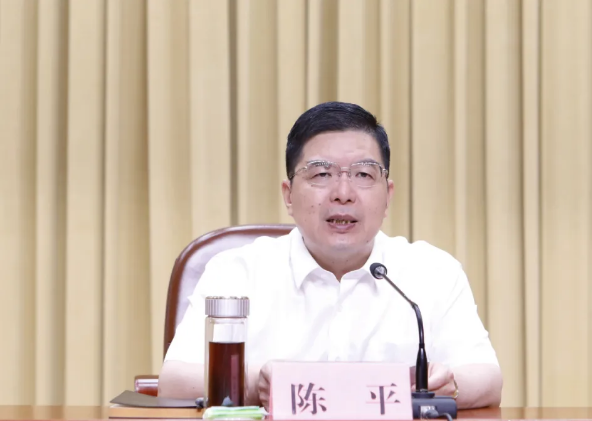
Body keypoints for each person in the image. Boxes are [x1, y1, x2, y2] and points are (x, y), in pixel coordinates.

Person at [157, 101, 503, 409]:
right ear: (288, 195)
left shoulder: (432, 271)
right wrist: (255, 382)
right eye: (322, 174)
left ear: (388, 196)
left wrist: (449, 385)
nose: (343, 193)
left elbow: (487, 378)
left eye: (363, 174)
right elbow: (173, 381)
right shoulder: (237, 271)